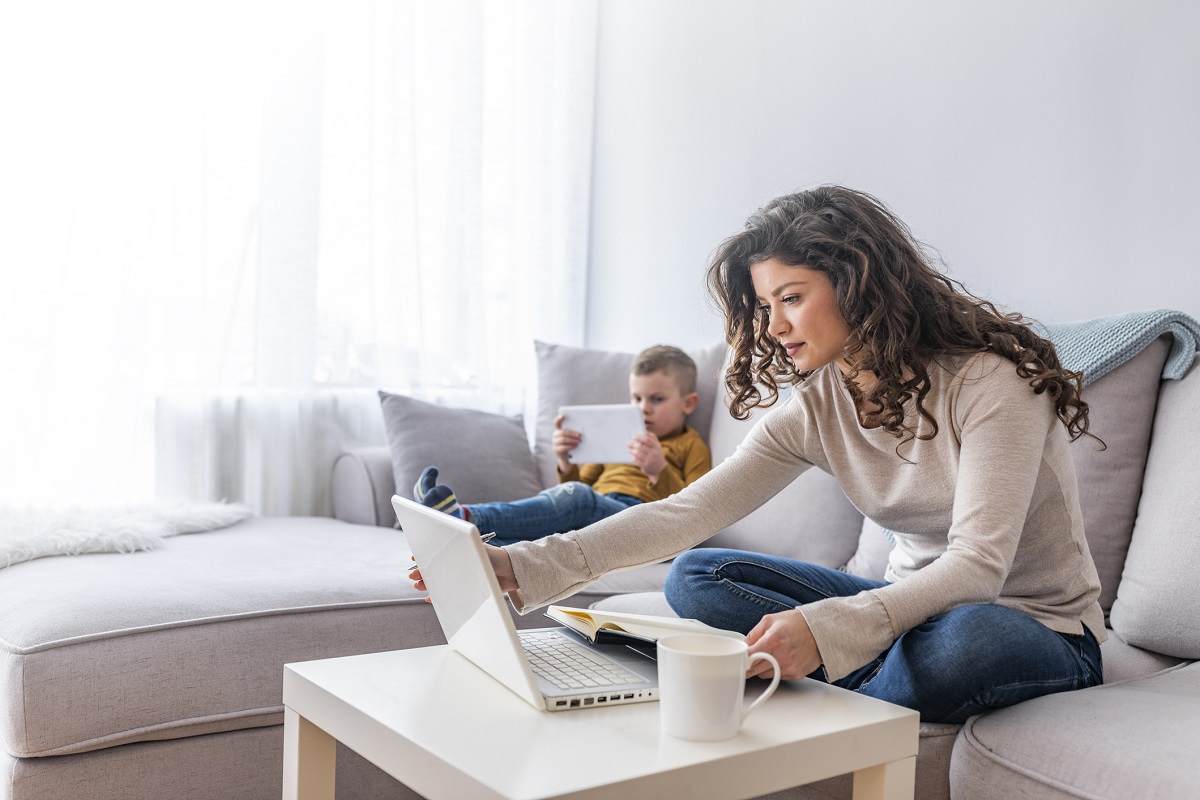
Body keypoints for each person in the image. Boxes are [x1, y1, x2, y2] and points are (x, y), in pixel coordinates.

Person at [411, 186, 1106, 723]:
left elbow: (978, 567)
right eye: (764, 305)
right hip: (902, 611)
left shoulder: (990, 384)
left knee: (964, 645)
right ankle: (862, 673)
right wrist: (522, 565)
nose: (772, 328)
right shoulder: (819, 405)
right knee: (697, 576)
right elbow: (686, 512)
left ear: (859, 284)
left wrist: (835, 627)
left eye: (791, 298)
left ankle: (834, 689)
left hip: (1030, 624)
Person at [413, 345, 712, 545]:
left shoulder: (689, 444)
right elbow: (579, 487)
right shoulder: (620, 432)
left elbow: (694, 513)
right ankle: (458, 541)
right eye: (637, 398)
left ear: (688, 403)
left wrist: (659, 471)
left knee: (578, 498)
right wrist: (566, 461)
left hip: (644, 522)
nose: (643, 408)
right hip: (596, 515)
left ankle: (462, 518)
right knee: (541, 539)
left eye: (656, 400)